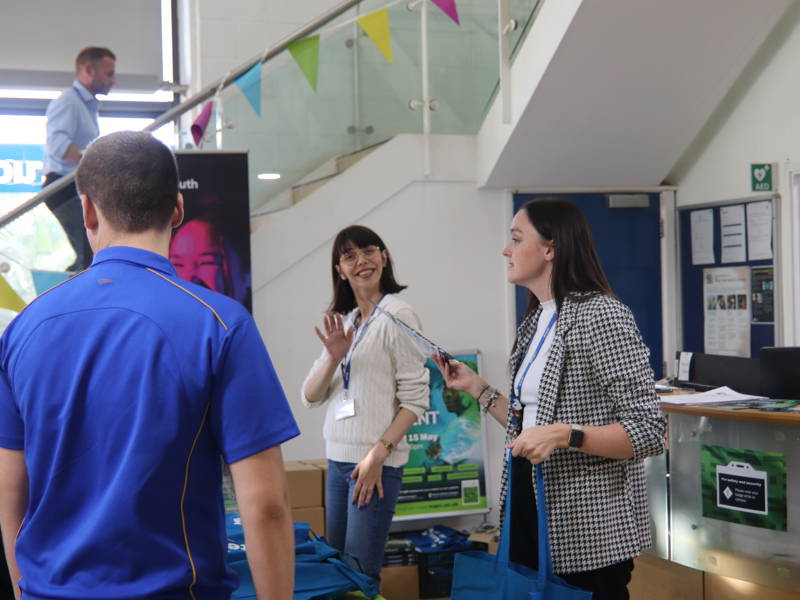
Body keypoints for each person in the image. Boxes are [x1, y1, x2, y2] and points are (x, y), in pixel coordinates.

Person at [0, 131, 299, 600]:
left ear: (88, 211)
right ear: (178, 209)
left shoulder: (25, 328)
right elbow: (265, 506)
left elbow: (10, 491)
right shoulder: (220, 324)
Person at [437, 198, 666, 599]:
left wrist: (567, 435)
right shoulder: (537, 319)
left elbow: (649, 430)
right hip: (531, 503)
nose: (505, 250)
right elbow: (530, 426)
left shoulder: (602, 315)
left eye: (515, 238)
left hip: (586, 526)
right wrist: (477, 387)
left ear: (550, 248)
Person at [301, 225, 429, 584]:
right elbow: (310, 396)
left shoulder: (398, 314)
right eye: (349, 256)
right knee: (338, 571)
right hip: (339, 459)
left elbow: (416, 399)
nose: (361, 261)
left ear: (384, 257)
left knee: (360, 573)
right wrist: (331, 358)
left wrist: (377, 455)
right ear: (340, 270)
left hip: (374, 464)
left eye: (369, 250)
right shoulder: (346, 321)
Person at [42, 46, 116, 271]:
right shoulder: (68, 102)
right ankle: (64, 301)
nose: (113, 81)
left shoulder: (87, 106)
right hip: (62, 187)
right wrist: (97, 159)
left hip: (75, 188)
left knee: (91, 254)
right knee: (88, 255)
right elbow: (59, 147)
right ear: (88, 70)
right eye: (109, 74)